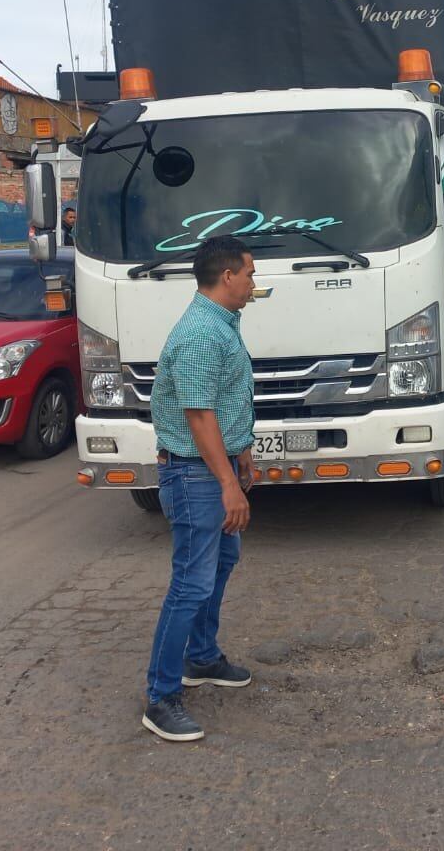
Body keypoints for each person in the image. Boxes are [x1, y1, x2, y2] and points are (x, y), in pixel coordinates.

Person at [141, 235, 258, 742]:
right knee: (190, 583)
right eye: (250, 274)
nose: (255, 284)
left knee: (222, 563)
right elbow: (198, 414)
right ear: (227, 276)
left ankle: (202, 658)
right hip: (195, 476)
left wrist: (243, 448)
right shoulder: (199, 334)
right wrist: (228, 484)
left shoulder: (222, 324)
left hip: (215, 466)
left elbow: (225, 398)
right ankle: (161, 697)